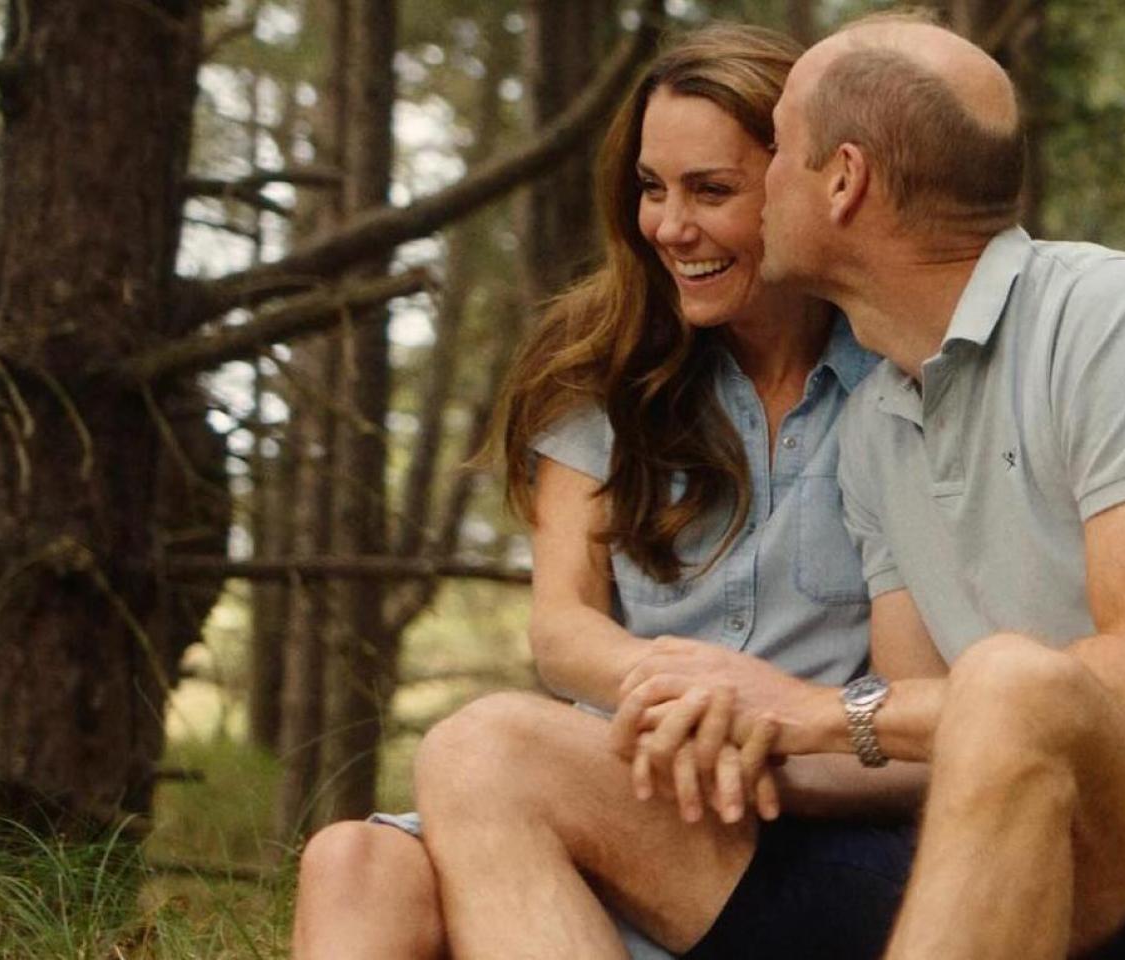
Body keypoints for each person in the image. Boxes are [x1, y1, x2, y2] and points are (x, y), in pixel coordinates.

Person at [613, 11, 1125, 960]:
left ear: (844, 179)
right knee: (498, 750)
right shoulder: (876, 421)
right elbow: (907, 732)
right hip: (998, 841)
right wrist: (745, 744)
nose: (761, 177)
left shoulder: (1116, 316)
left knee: (1013, 681)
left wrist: (812, 708)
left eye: (777, 150)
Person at [291, 24, 935, 960]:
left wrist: (758, 727)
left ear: (804, 186)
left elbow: (916, 715)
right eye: (651, 187)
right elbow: (562, 630)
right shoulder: (605, 370)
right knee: (350, 861)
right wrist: (688, 703)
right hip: (615, 775)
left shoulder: (896, 387)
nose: (670, 227)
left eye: (711, 190)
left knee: (482, 747)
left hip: (807, 807)